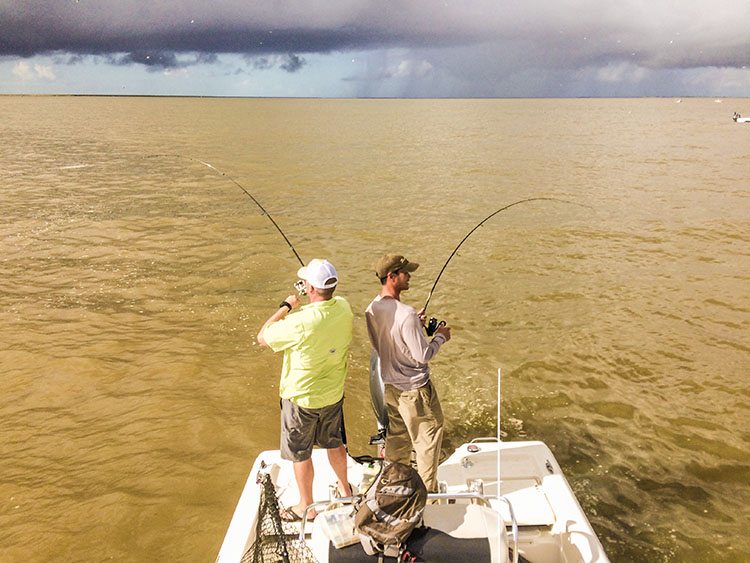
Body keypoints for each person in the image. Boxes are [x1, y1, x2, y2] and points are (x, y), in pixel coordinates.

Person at [257, 258, 354, 521]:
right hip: (333, 394)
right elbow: (328, 302)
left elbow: (263, 337)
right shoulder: (345, 309)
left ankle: (305, 507)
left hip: (301, 399)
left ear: (310, 288)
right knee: (334, 442)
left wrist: (287, 306)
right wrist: (312, 292)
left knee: (301, 453)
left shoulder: (300, 321)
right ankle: (346, 491)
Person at [365, 254, 451, 492]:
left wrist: (414, 327)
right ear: (392, 277)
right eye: (405, 273)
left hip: (391, 388)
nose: (409, 276)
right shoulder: (407, 314)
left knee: (398, 438)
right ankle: (426, 495)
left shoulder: (372, 308)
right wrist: (441, 336)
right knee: (428, 440)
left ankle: (395, 483)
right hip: (415, 391)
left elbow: (379, 344)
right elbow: (423, 355)